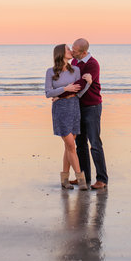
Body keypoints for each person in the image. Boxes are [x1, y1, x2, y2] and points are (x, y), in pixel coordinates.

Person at [45, 43, 93, 190]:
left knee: (68, 146)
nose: (71, 51)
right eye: (67, 49)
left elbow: (79, 92)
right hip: (60, 109)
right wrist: (64, 89)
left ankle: (64, 179)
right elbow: (48, 93)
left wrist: (88, 83)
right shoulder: (50, 71)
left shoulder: (76, 70)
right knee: (72, 145)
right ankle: (81, 179)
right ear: (60, 53)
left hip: (74, 107)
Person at [70, 38, 107, 189]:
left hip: (92, 106)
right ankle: (84, 177)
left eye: (75, 50)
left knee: (95, 143)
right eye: (72, 49)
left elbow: (81, 85)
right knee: (80, 144)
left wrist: (63, 93)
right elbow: (71, 79)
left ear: (84, 52)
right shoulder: (74, 62)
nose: (72, 52)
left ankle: (102, 179)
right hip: (77, 107)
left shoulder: (92, 64)